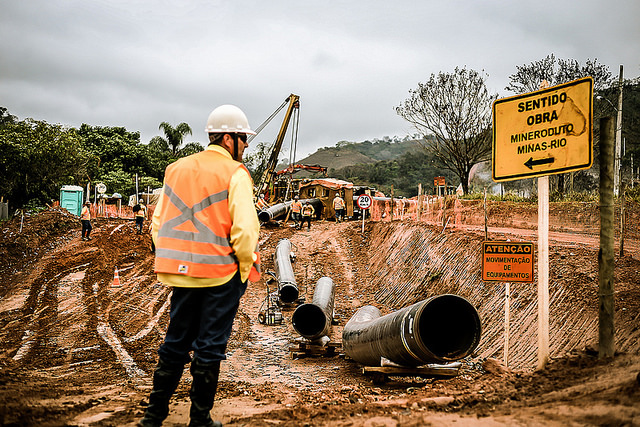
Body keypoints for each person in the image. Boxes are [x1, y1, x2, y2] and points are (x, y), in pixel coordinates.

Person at [139, 105, 261, 427]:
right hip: (221, 275)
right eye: (243, 139)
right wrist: (244, 268)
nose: (246, 146)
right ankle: (200, 420)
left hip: (180, 273)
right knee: (210, 346)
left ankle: (153, 417)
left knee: (175, 342)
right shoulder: (235, 174)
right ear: (227, 137)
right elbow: (246, 230)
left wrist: (171, 257)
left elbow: (158, 221)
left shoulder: (175, 168)